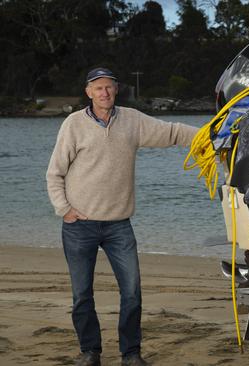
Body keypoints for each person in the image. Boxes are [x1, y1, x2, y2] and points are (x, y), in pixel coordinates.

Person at [46, 67, 198, 366]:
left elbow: (172, 132)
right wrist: (64, 210)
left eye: (109, 87)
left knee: (132, 292)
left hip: (119, 226)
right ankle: (90, 352)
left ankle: (131, 354)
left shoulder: (131, 120)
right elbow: (54, 173)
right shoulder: (73, 124)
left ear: (116, 89)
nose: (104, 92)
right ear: (88, 92)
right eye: (98, 88)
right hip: (79, 226)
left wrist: (209, 135)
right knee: (82, 295)